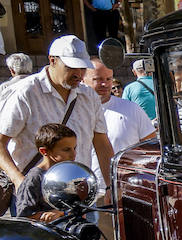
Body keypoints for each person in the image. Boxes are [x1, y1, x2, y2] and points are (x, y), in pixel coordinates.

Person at [0, 35, 113, 209]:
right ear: (52, 60)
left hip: (80, 194)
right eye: (71, 67)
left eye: (82, 68)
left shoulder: (89, 96)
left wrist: (110, 186)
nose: (79, 74)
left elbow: (102, 143)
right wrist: (19, 181)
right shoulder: (25, 92)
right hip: (36, 196)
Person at [14, 122, 77, 223]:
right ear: (44, 151)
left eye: (74, 148)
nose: (73, 154)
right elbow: (23, 219)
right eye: (66, 150)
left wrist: (63, 213)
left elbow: (79, 212)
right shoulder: (35, 177)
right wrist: (49, 215)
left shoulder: (69, 174)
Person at [121, 58, 158, 124]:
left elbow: (125, 111)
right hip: (162, 126)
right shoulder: (160, 84)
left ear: (134, 72)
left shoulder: (129, 88)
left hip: (143, 127)